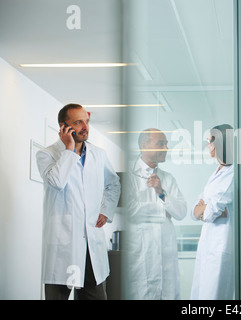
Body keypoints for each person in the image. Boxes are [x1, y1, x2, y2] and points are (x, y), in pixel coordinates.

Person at [36, 103, 121, 300]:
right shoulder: (46, 155)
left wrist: (106, 210)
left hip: (92, 245)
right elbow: (56, 182)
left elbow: (113, 184)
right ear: (63, 127)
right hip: (62, 246)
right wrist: (69, 150)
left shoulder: (98, 155)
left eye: (87, 121)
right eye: (78, 122)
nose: (85, 126)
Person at [123, 128, 187, 299]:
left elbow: (181, 212)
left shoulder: (168, 178)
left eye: (166, 144)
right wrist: (163, 210)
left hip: (166, 257)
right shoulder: (129, 175)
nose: (166, 148)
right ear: (144, 145)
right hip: (141, 256)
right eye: (161, 143)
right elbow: (130, 210)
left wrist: (161, 192)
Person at [190, 124, 234, 300]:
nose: (208, 146)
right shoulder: (217, 172)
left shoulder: (233, 172)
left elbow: (210, 212)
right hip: (209, 244)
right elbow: (195, 211)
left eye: (209, 141)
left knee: (215, 295)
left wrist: (205, 210)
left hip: (220, 246)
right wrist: (204, 210)